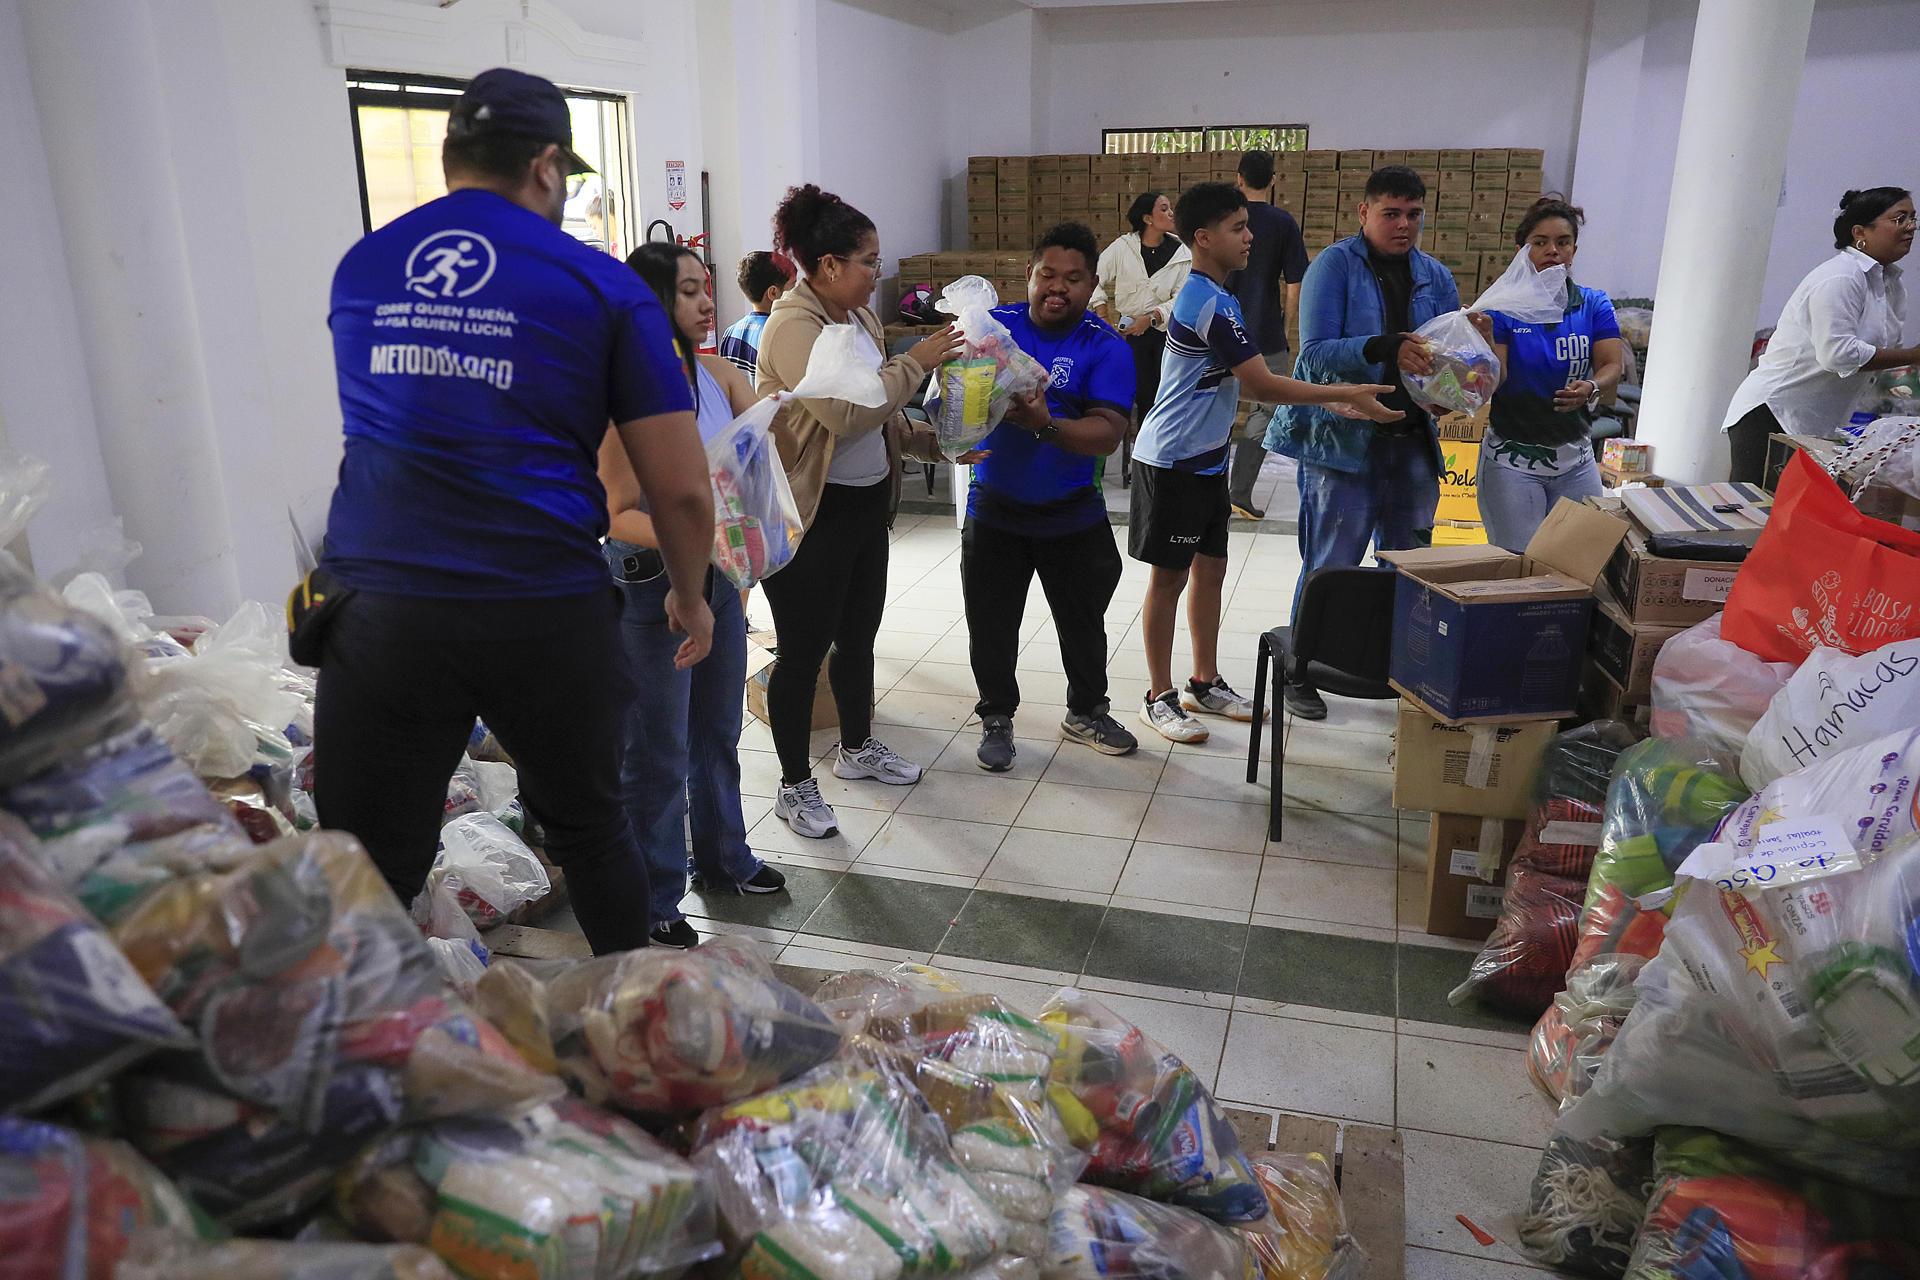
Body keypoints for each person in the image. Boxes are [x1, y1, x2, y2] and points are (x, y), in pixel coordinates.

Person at [312, 68, 714, 954]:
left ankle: (366, 1052)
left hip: (377, 608)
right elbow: (682, 489)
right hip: (537, 607)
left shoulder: (366, 263)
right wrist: (691, 596)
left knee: (368, 864)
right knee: (590, 829)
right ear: (545, 167)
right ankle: (637, 1032)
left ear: (450, 156)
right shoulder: (602, 288)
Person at [1130, 182, 1398, 744]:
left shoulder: (1221, 299)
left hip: (1204, 463)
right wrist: (1344, 395)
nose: (1250, 238)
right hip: (1171, 461)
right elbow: (1263, 384)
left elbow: (1244, 386)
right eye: (1237, 228)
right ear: (1203, 239)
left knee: (1210, 571)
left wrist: (1340, 401)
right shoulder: (1206, 302)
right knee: (1169, 580)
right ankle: (1157, 695)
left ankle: (1203, 682)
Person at [753, 184, 963, 838]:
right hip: (810, 516)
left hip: (865, 506)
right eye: (869, 261)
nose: (879, 272)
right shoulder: (795, 325)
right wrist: (915, 363)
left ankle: (857, 748)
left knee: (858, 637)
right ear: (827, 267)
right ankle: (793, 784)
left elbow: (882, 418)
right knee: (803, 651)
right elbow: (845, 411)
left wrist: (938, 444)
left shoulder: (859, 320)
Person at [601, 243, 789, 950]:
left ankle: (723, 858)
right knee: (657, 751)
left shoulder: (713, 375)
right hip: (654, 590)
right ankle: (654, 891)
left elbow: (764, 439)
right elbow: (617, 510)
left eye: (706, 288)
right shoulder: (625, 394)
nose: (707, 303)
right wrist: (698, 540)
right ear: (651, 304)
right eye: (687, 291)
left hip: (716, 581)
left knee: (717, 730)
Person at [1268, 164, 1479, 720]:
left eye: (1413, 214)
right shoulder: (1333, 268)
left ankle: (1393, 665)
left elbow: (1443, 358)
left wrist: (1453, 389)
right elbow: (1313, 355)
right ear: (1364, 213)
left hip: (1412, 442)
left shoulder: (1435, 276)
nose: (1403, 224)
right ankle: (1302, 669)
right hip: (1342, 444)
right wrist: (1384, 345)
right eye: (1391, 213)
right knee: (1331, 562)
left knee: (1407, 565)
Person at [932, 222, 1137, 771]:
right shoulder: (991, 328)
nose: (1057, 287)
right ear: (1028, 275)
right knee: (991, 625)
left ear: (1092, 284)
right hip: (994, 509)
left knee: (1083, 624)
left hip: (1072, 513)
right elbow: (949, 396)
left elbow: (1109, 432)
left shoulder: (1105, 346)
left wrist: (1046, 426)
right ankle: (996, 716)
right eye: (1047, 274)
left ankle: (1087, 710)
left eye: (1073, 279)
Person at [1723, 186, 1917, 484]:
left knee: (1796, 519)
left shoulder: (1890, 285)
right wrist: (1913, 356)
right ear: (1860, 232)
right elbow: (1837, 355)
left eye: (1913, 218)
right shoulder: (1841, 277)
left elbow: (1884, 355)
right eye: (1899, 218)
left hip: (1814, 421)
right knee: (1756, 517)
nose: (1911, 227)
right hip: (1773, 414)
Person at [1480, 197, 1627, 552]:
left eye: (1563, 242)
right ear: (1522, 251)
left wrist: (1592, 386)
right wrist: (1484, 339)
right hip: (1512, 462)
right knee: (1518, 565)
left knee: (1579, 563)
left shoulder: (1593, 304)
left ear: (1574, 249)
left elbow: (1612, 365)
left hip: (1575, 459)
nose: (1553, 250)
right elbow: (1495, 380)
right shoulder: (1503, 309)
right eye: (1540, 242)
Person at [1226, 151, 1310, 520]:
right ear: (1273, 180)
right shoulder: (1283, 222)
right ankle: (1239, 493)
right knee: (1264, 409)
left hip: (1220, 328)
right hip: (1265, 331)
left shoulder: (1224, 219)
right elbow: (1295, 283)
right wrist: (1287, 326)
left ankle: (1210, 493)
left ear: (1239, 179)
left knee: (1215, 406)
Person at [1092, 192, 1192, 463]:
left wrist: (1152, 318)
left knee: (1157, 393)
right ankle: (1119, 446)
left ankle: (1152, 451)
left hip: (1163, 334)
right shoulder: (1123, 248)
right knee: (1125, 389)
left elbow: (1182, 297)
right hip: (1126, 335)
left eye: (1170, 208)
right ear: (1148, 218)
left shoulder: (1182, 254)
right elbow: (1094, 277)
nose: (1171, 213)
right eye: (1164, 209)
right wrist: (1103, 314)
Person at [719, 250, 795, 379]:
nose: (796, 293)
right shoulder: (777, 335)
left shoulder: (729, 333)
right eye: (793, 286)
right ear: (773, 293)